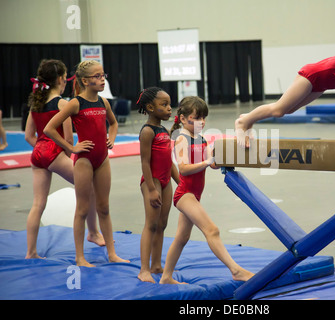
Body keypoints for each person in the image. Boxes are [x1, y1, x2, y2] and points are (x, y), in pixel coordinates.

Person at [159, 96, 254, 284]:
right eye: (197, 118)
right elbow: (184, 168)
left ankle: (166, 277)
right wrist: (206, 161)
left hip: (195, 194)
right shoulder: (181, 139)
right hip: (185, 194)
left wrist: (219, 160)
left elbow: (211, 165)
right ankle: (236, 270)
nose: (202, 122)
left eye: (204, 117)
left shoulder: (200, 137)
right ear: (184, 119)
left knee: (181, 237)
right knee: (212, 230)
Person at [44, 60, 129, 267]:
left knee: (104, 208)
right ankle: (79, 257)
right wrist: (71, 148)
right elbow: (49, 129)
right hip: (84, 161)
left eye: (103, 75)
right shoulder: (75, 103)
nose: (102, 80)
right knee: (82, 209)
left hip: (102, 159)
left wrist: (112, 137)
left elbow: (114, 123)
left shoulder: (103, 102)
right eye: (98, 76)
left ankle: (112, 253)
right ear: (84, 80)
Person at [24, 59, 104, 259]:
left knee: (38, 204)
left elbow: (29, 136)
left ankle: (31, 252)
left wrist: (42, 151)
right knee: (90, 188)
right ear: (61, 79)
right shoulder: (62, 103)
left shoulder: (36, 103)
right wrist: (67, 152)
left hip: (38, 154)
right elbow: (68, 138)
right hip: (54, 152)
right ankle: (93, 232)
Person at [136, 87, 179, 283]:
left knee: (162, 224)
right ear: (150, 107)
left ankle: (156, 265)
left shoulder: (162, 130)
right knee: (151, 224)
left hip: (165, 181)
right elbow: (145, 162)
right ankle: (144, 269)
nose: (169, 108)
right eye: (164, 105)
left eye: (169, 104)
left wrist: (180, 182)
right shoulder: (147, 131)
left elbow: (168, 161)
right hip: (152, 181)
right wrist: (152, 190)